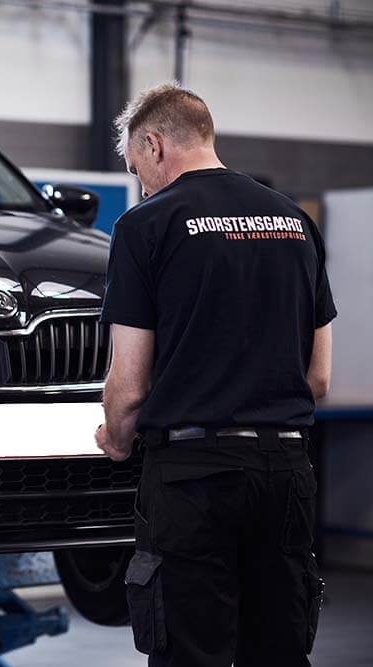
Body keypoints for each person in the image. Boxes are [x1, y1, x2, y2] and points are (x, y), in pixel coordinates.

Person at [93, 83, 335, 667]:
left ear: (152, 145)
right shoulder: (294, 223)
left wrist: (116, 439)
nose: (140, 183)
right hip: (286, 473)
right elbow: (319, 377)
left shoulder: (144, 226)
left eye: (135, 168)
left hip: (191, 479)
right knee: (279, 649)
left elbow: (128, 386)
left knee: (188, 651)